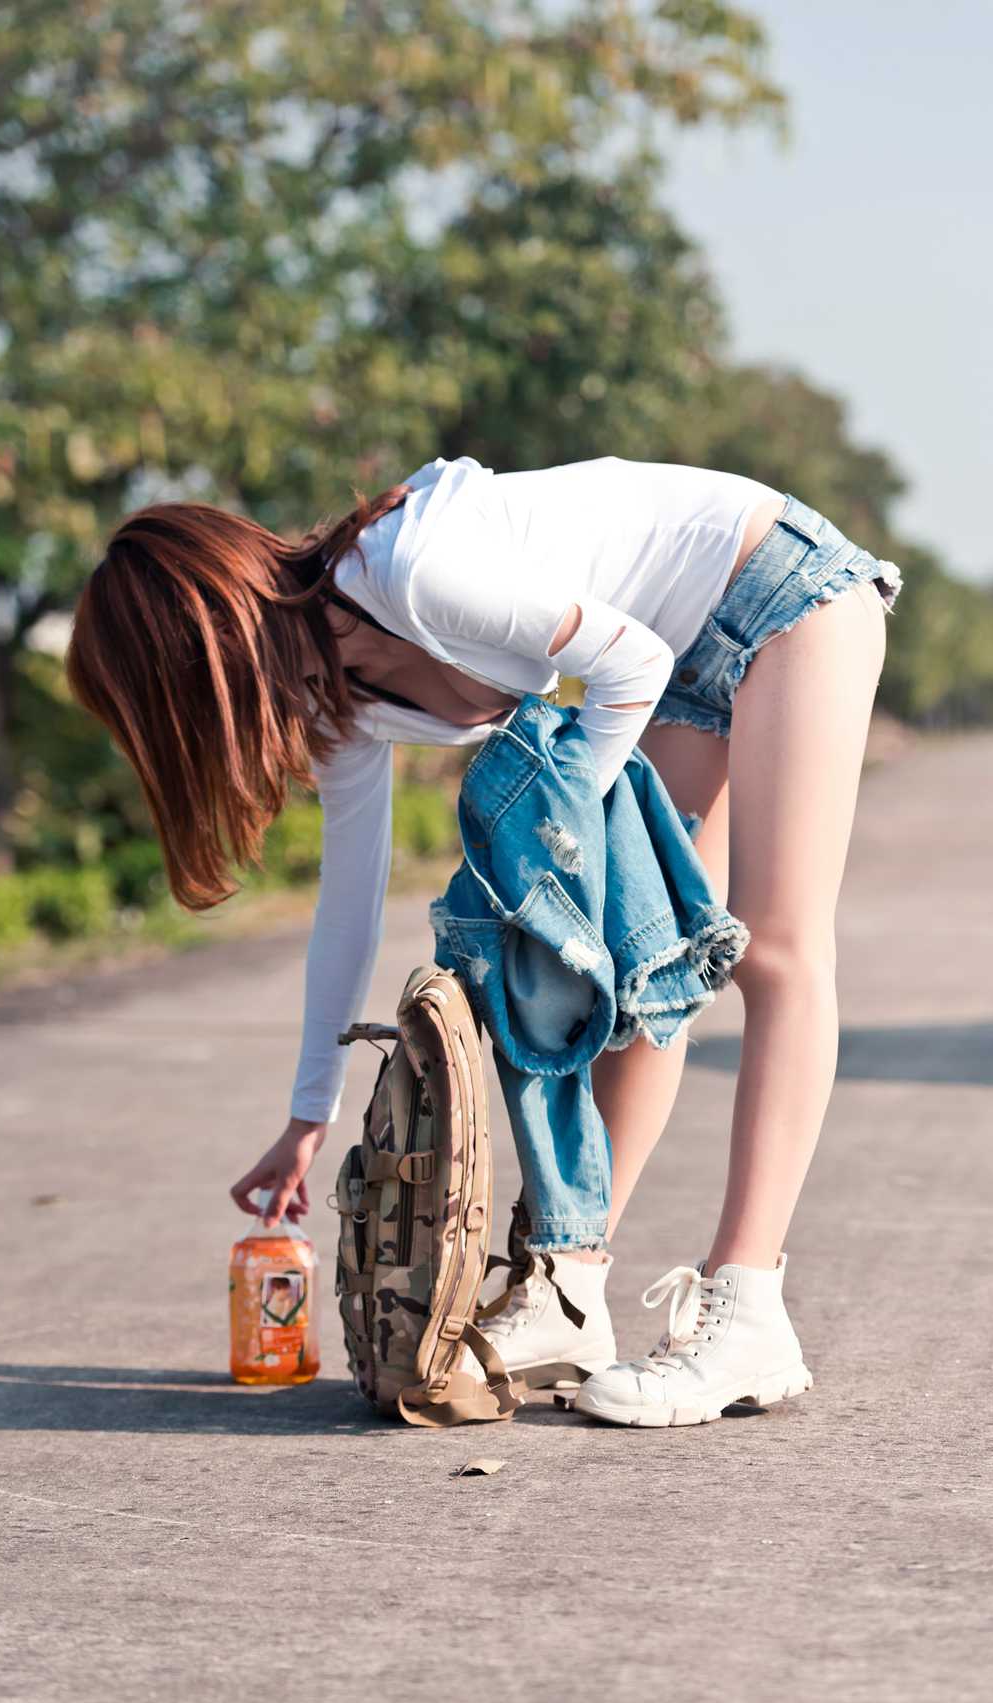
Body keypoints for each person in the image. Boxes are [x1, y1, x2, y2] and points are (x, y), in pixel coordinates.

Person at [67, 454, 899, 1428]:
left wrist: (559, 844)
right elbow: (349, 902)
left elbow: (628, 662)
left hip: (782, 594)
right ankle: (569, 1290)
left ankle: (748, 1308)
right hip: (681, 658)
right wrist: (307, 1115)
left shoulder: (411, 571)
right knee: (638, 974)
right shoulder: (339, 692)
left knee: (776, 950)